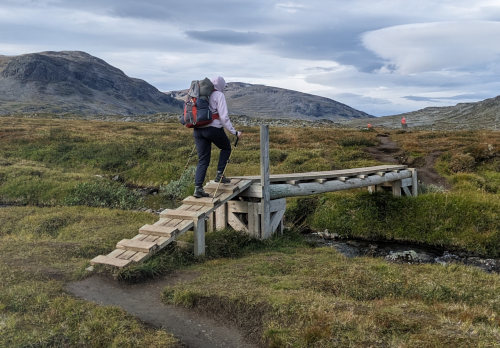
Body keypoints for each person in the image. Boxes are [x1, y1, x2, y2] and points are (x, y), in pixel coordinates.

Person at [192, 76, 242, 198]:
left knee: (203, 159)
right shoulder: (219, 95)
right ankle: (220, 175)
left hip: (198, 129)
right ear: (220, 85)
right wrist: (234, 132)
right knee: (226, 148)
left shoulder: (198, 93)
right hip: (213, 129)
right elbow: (224, 118)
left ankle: (198, 189)